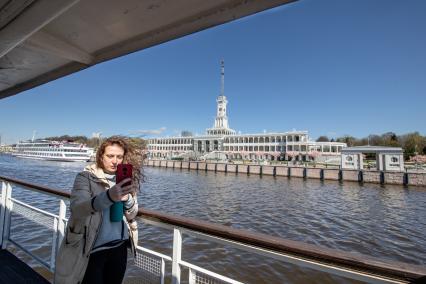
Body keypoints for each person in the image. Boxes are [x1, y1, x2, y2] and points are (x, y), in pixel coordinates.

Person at [55, 136, 143, 284]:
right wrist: (109, 196)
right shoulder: (85, 178)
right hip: (92, 248)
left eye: (119, 157)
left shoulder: (125, 180)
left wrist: (127, 199)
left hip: (118, 248)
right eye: (110, 156)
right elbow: (77, 208)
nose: (115, 161)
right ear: (101, 156)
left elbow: (132, 214)